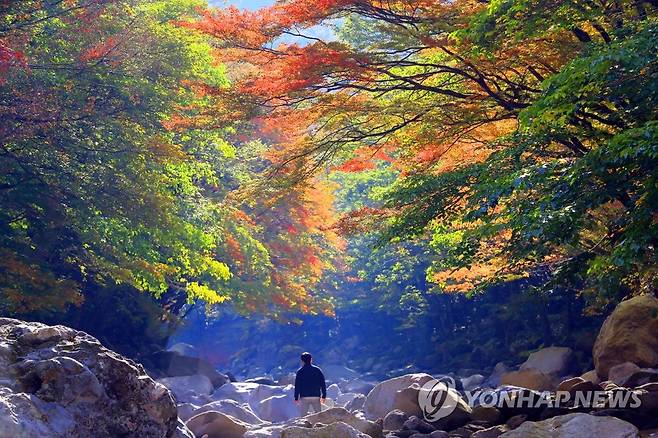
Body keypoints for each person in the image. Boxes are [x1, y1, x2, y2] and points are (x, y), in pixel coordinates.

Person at [293, 352, 327, 416]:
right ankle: (318, 425)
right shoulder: (317, 370)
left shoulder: (300, 371)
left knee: (303, 416)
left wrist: (296, 398)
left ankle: (305, 425)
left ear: (302, 361)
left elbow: (297, 385)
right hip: (316, 395)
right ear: (311, 359)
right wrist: (324, 395)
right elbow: (322, 383)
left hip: (304, 396)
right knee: (318, 415)